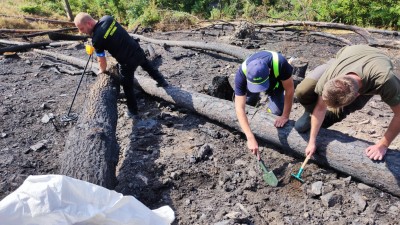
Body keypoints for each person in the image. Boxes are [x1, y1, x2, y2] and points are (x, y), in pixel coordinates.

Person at [294, 45, 400, 160]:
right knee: (303, 90)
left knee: (343, 110)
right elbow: (320, 108)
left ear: (357, 95)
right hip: (350, 54)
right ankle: (308, 112)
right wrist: (311, 141)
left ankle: (323, 120)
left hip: (378, 61)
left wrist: (383, 145)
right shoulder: (329, 77)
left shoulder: (385, 81)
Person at [74, 12, 168, 119]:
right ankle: (162, 81)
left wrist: (102, 70)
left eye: (81, 28)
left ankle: (133, 111)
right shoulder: (107, 19)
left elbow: (102, 60)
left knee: (127, 86)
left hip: (127, 62)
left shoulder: (96, 39)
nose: (80, 32)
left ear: (89, 23)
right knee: (148, 66)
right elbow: (113, 34)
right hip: (137, 50)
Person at [234, 51, 294, 157]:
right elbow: (239, 107)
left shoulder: (280, 64)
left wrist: (285, 116)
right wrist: (250, 137)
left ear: (269, 71)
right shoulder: (242, 73)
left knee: (277, 111)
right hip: (252, 84)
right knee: (248, 102)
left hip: (276, 84)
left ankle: (267, 114)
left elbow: (289, 90)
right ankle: (251, 111)